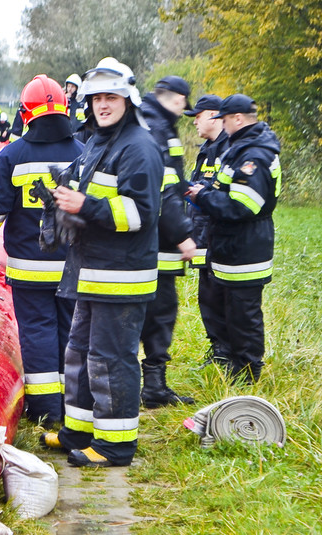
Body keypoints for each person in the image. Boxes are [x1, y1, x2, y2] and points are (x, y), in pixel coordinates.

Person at [49, 58, 163, 467]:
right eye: (97, 97)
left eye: (110, 97)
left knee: (111, 360)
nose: (102, 104)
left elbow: (140, 214)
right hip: (92, 270)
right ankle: (78, 430)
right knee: (79, 353)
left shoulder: (139, 147)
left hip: (122, 276)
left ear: (127, 99)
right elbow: (84, 191)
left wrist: (87, 206)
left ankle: (115, 446)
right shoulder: (100, 139)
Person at [0, 75, 84, 428]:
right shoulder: (84, 153)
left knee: (37, 332)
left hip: (29, 268)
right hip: (73, 267)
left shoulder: (13, 155)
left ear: (25, 113)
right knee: (71, 332)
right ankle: (72, 406)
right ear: (66, 109)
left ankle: (46, 410)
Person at [188, 94, 281, 384]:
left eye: (225, 120)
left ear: (238, 119)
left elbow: (243, 205)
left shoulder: (254, 156)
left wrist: (203, 196)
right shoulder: (240, 148)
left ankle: (248, 375)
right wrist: (205, 193)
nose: (223, 126)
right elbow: (223, 188)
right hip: (232, 246)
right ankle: (234, 366)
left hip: (246, 247)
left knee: (244, 316)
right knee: (230, 310)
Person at [138, 75, 197, 408]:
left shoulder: (148, 121)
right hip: (158, 240)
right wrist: (183, 235)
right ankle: (154, 388)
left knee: (150, 311)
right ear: (173, 98)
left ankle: (150, 384)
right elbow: (163, 189)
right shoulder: (158, 128)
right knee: (160, 312)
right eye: (181, 103)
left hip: (146, 236)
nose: (183, 110)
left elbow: (172, 179)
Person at [183, 95, 230, 366]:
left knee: (222, 297)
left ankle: (229, 354)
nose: (195, 123)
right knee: (207, 296)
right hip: (201, 234)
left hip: (221, 236)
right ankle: (218, 351)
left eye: (198, 116)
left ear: (213, 115)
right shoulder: (205, 149)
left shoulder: (229, 148)